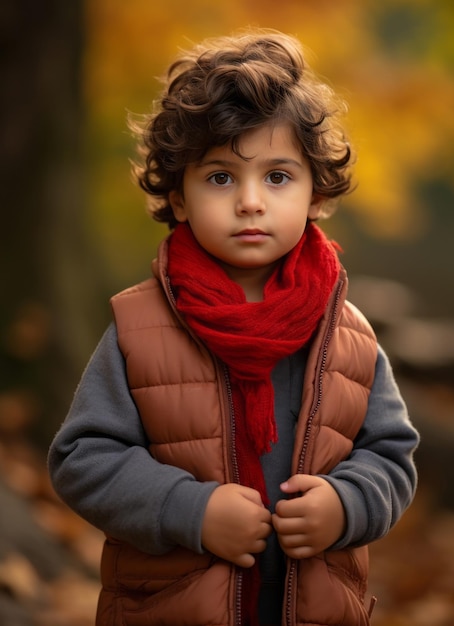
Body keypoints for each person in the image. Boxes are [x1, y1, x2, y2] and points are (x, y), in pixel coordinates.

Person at [48, 29, 419, 626]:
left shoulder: (349, 333)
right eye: (220, 177)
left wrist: (346, 505)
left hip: (315, 607)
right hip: (173, 607)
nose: (250, 201)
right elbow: (82, 458)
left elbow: (391, 457)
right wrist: (189, 510)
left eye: (277, 177)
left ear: (316, 194)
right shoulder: (140, 327)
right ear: (178, 197)